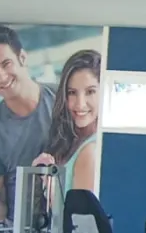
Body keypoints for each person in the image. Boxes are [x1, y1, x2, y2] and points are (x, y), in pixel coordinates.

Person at [0, 25, 54, 224]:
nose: (1, 77)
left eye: (6, 64)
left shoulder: (63, 99)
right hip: (19, 231)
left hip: (67, 227)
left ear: (22, 58)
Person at [32, 49, 101, 196]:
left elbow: (78, 211)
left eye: (90, 92)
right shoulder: (71, 140)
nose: (80, 104)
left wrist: (50, 186)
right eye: (72, 93)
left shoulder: (90, 152)